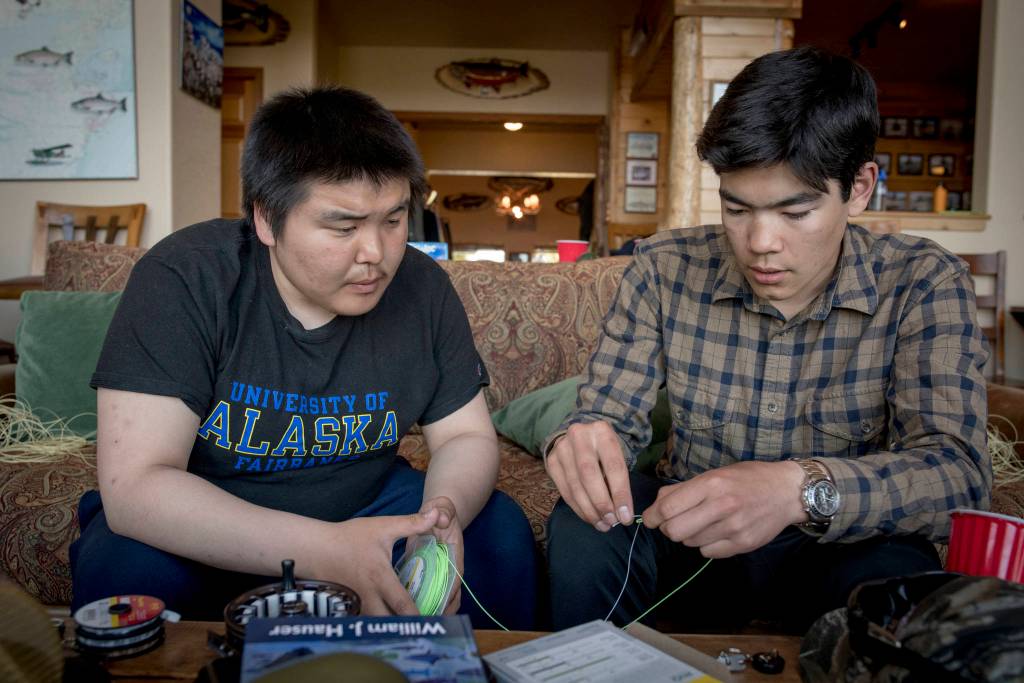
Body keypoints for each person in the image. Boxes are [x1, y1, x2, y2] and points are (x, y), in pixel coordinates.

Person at [544, 47, 990, 632]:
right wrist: (581, 444)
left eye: (795, 211)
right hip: (690, 543)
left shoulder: (924, 281)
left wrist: (796, 489)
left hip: (836, 549)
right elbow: (608, 415)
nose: (760, 242)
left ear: (859, 188)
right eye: (737, 209)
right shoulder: (663, 267)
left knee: (898, 575)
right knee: (583, 526)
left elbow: (957, 473)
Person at [70, 86, 538, 629]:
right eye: (343, 227)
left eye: (392, 220)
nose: (377, 255)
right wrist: (323, 549)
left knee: (498, 536)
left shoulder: (423, 289)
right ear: (267, 220)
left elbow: (465, 436)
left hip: (366, 501)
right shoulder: (185, 277)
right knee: (123, 572)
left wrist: (443, 512)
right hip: (211, 515)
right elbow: (137, 486)